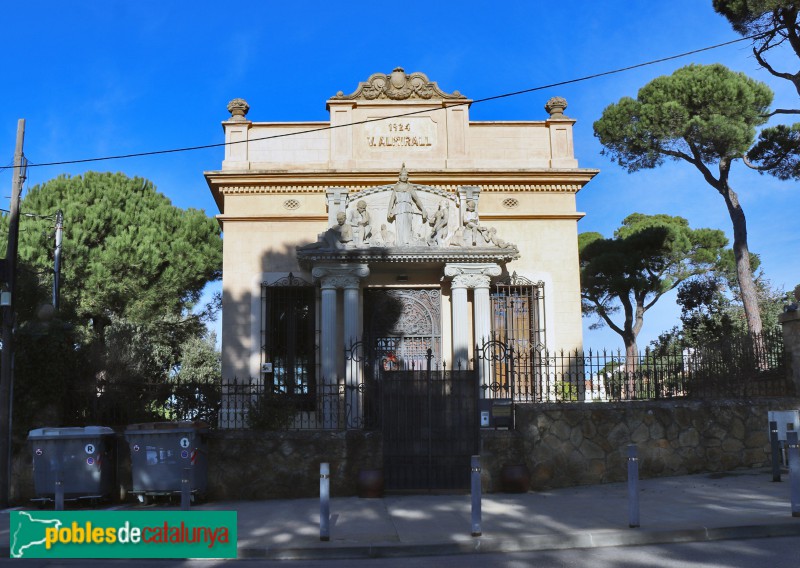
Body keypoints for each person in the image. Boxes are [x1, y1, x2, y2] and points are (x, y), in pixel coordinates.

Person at [387, 163, 427, 246]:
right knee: (400, 226)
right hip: (399, 208)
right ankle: (400, 243)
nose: (404, 177)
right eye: (402, 175)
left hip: (408, 208)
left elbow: (416, 199)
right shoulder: (396, 187)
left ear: (407, 177)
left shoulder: (410, 187)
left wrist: (423, 209)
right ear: (399, 176)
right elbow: (391, 201)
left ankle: (407, 242)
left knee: (407, 226)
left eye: (405, 175)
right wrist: (389, 211)